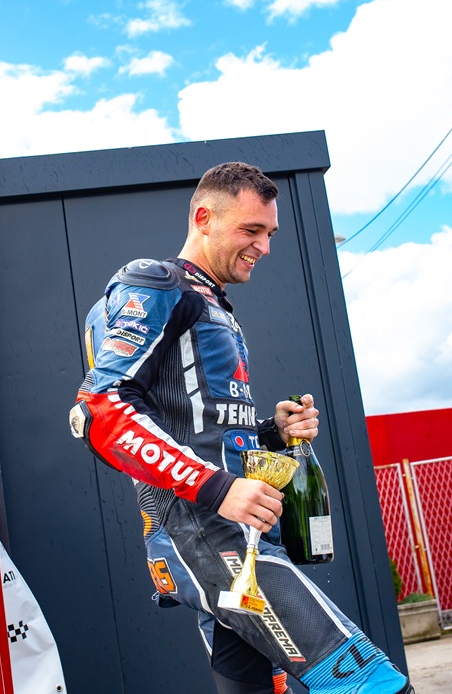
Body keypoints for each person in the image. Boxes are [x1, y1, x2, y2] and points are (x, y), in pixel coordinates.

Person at [70, 163, 413, 694]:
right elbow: (100, 409)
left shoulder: (210, 301)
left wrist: (271, 433)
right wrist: (217, 488)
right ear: (203, 218)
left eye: (270, 233)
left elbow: (198, 428)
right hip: (209, 533)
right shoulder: (157, 284)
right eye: (251, 230)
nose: (264, 247)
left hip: (234, 535)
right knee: (369, 682)